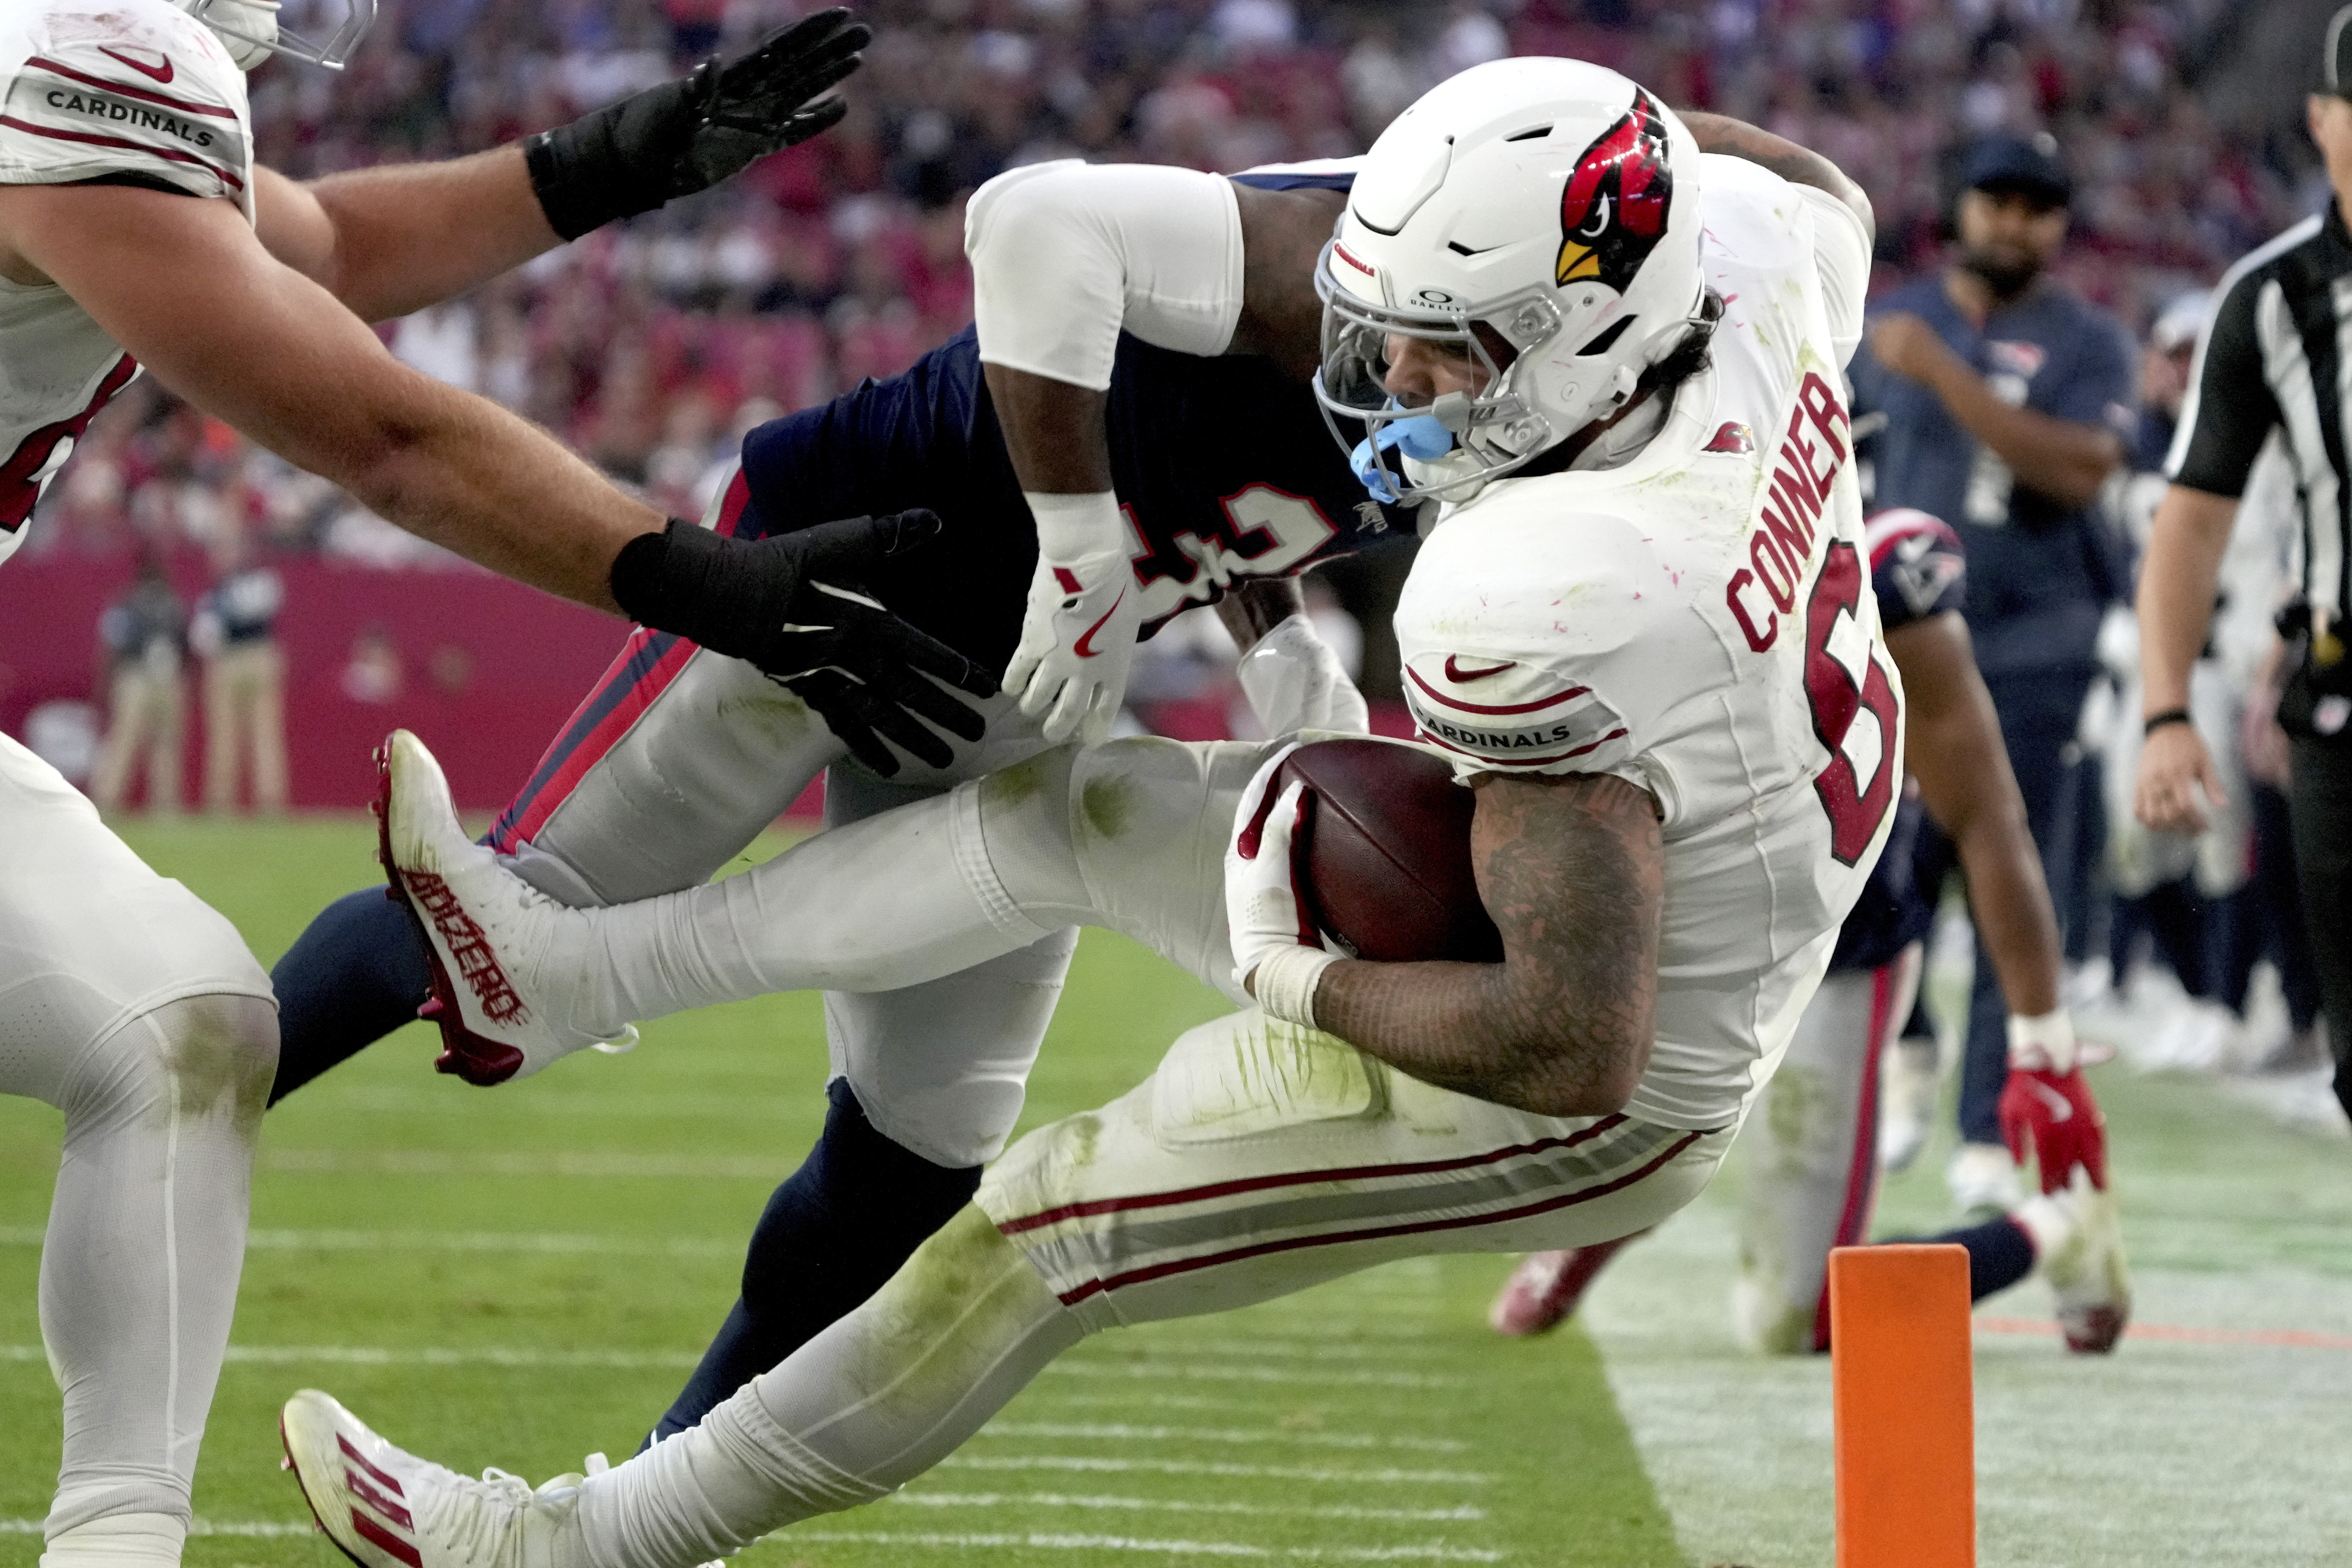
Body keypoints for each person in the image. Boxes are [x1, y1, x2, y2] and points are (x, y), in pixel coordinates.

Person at [274, 57, 1903, 1568]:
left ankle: (582, 1539)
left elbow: (1571, 1042)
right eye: (1384, 327)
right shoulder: (1748, 277)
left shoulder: (1545, 579)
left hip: (1604, 1048)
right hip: (893, 583)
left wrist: (1288, 976)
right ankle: (546, 979)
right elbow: (1799, 187)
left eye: (1448, 351)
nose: (1390, 378)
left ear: (1593, 334)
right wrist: (1163, 572)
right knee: (1077, 814)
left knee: (1030, 1216)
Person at [260, 141, 1428, 1453]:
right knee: (497, 914)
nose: (1444, 387)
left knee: (919, 1152)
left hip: (1017, 689)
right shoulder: (1341, 251)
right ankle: (156, 1101)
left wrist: (1276, 631)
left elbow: (1222, 468)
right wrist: (1077, 544)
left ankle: (662, 1494)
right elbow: (1032, 226)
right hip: (839, 570)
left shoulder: (1537, 405)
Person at [0, 5, 968, 1565]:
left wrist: (610, 162)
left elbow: (326, 245)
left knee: (187, 1022)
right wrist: (707, 579)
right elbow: (382, 435)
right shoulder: (87, 57)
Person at [1486, 507, 2126, 1355]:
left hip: (1830, 946)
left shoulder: (1881, 567)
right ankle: (1622, 1187)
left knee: (1790, 1320)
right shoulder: (1614, 534)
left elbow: (1984, 814)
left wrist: (2041, 1044)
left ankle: (2058, 1227)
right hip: (1680, 924)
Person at [1848, 131, 2136, 1215]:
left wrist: (1945, 374)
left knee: (2008, 875)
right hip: (1895, 638)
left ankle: (1983, 1126)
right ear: (1957, 205)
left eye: (2036, 205)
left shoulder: (2086, 339)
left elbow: (2080, 467)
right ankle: (1908, 1045)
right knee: (1878, 865)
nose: (2013, 222)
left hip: (2033, 640)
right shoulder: (1887, 323)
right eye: (1995, 199)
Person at [2138, 3, 2352, 1121]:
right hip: (2333, 685)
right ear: (2320, 118)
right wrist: (2168, 709)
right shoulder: (2273, 301)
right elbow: (2191, 522)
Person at [192, 517, 288, 813]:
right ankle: (221, 799)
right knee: (222, 733)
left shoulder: (260, 580)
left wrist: (221, 614)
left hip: (257, 655)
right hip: (227, 660)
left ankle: (270, 799)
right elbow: (203, 637)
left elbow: (253, 608)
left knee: (265, 732)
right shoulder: (215, 592)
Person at [88, 550, 188, 814]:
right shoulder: (170, 604)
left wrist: (106, 682)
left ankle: (110, 800)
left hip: (139, 678)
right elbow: (186, 650)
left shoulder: (130, 603)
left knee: (133, 742)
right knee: (156, 744)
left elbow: (112, 646)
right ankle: (160, 804)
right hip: (157, 678)